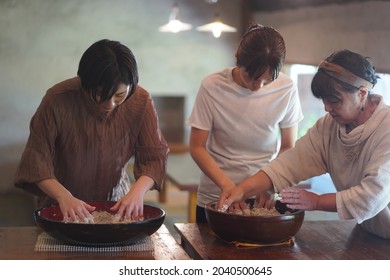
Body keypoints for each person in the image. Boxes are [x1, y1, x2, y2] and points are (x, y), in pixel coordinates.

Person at [220, 49, 390, 239]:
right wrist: (242, 190)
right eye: (324, 101)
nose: (327, 108)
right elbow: (289, 164)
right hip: (370, 232)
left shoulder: (386, 129)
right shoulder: (329, 127)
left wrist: (317, 201)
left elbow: (372, 196)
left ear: (362, 93)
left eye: (335, 101)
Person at [14, 39, 169, 223]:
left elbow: (154, 156)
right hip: (61, 205)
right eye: (99, 94)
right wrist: (64, 196)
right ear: (84, 82)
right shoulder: (57, 99)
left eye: (119, 96)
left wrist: (137, 192)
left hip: (115, 206)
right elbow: (36, 160)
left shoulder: (141, 101)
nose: (109, 104)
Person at [187, 24, 304, 223]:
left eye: (267, 81)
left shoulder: (286, 88)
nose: (258, 86)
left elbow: (287, 146)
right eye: (252, 77)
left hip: (262, 196)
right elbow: (197, 147)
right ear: (237, 57)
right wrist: (228, 187)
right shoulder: (212, 86)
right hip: (218, 195)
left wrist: (270, 183)